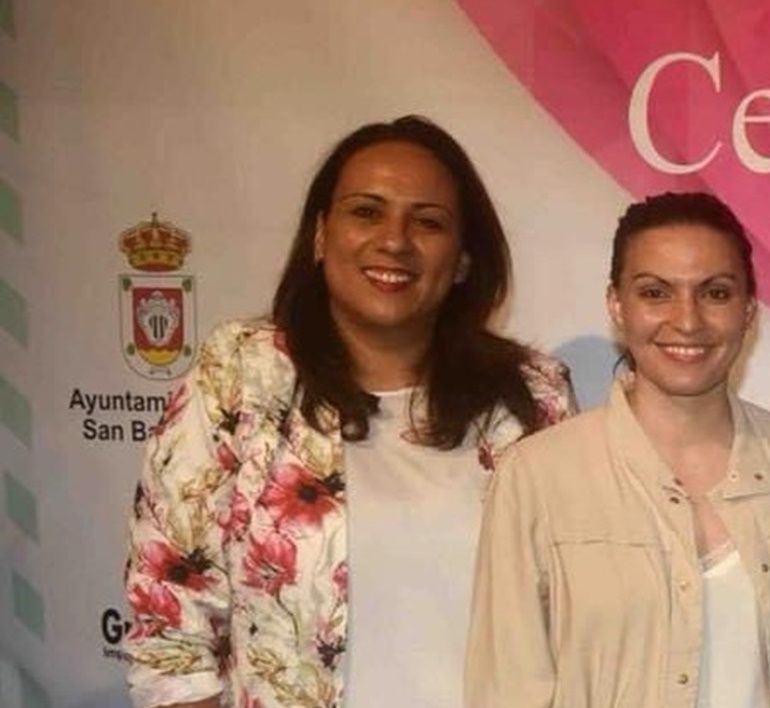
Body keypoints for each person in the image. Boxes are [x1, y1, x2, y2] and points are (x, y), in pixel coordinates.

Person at [122, 116, 576, 707]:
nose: (394, 239)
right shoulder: (240, 375)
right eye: (367, 211)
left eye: (429, 222)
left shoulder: (532, 399)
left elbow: (577, 615)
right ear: (320, 235)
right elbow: (168, 627)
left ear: (463, 259)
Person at [465, 192, 770, 708]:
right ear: (616, 306)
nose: (686, 321)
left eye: (715, 293)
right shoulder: (537, 476)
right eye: (655, 293)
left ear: (749, 310)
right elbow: (506, 689)